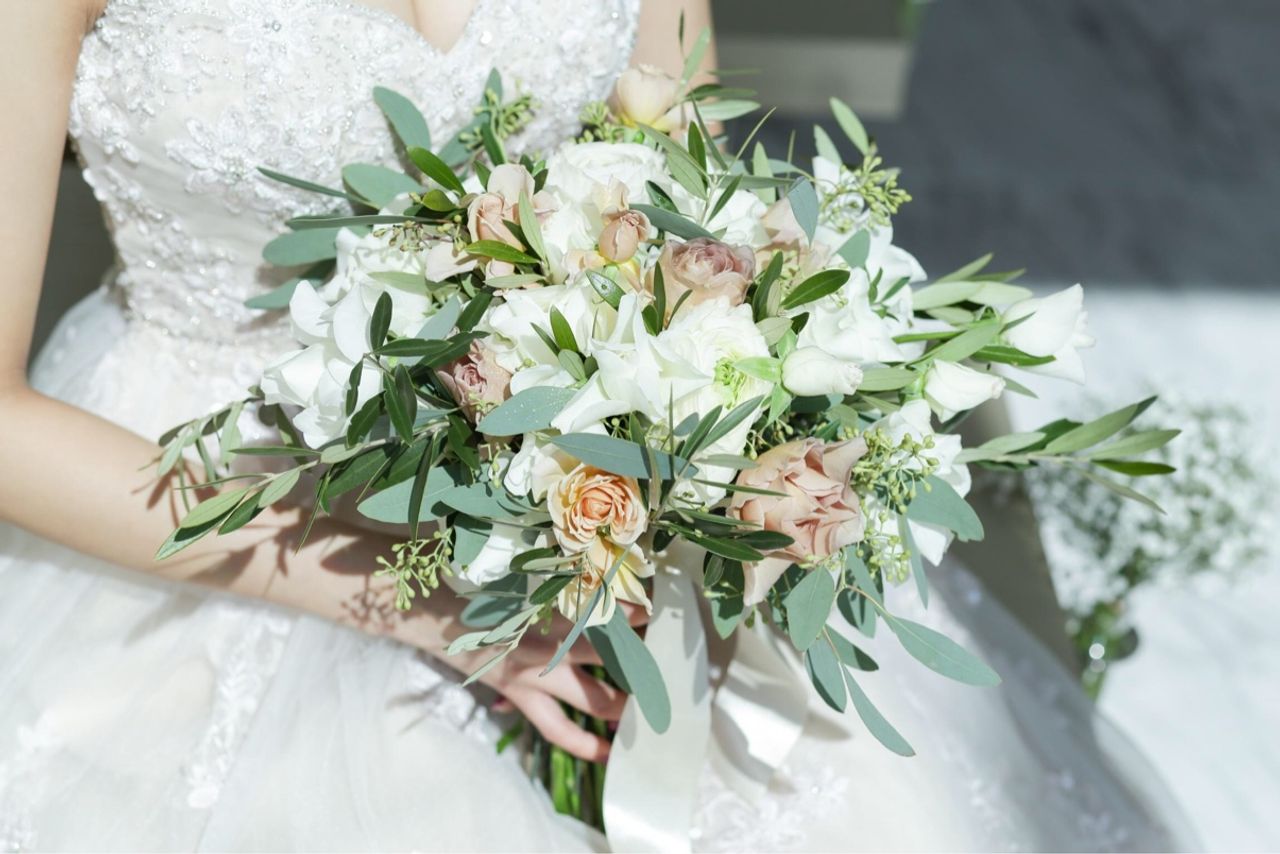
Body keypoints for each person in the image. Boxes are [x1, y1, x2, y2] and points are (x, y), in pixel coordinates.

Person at [0, 1, 1192, 849]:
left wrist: (698, 479)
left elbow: (690, 205)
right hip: (192, 491)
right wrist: (419, 600)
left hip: (578, 469)